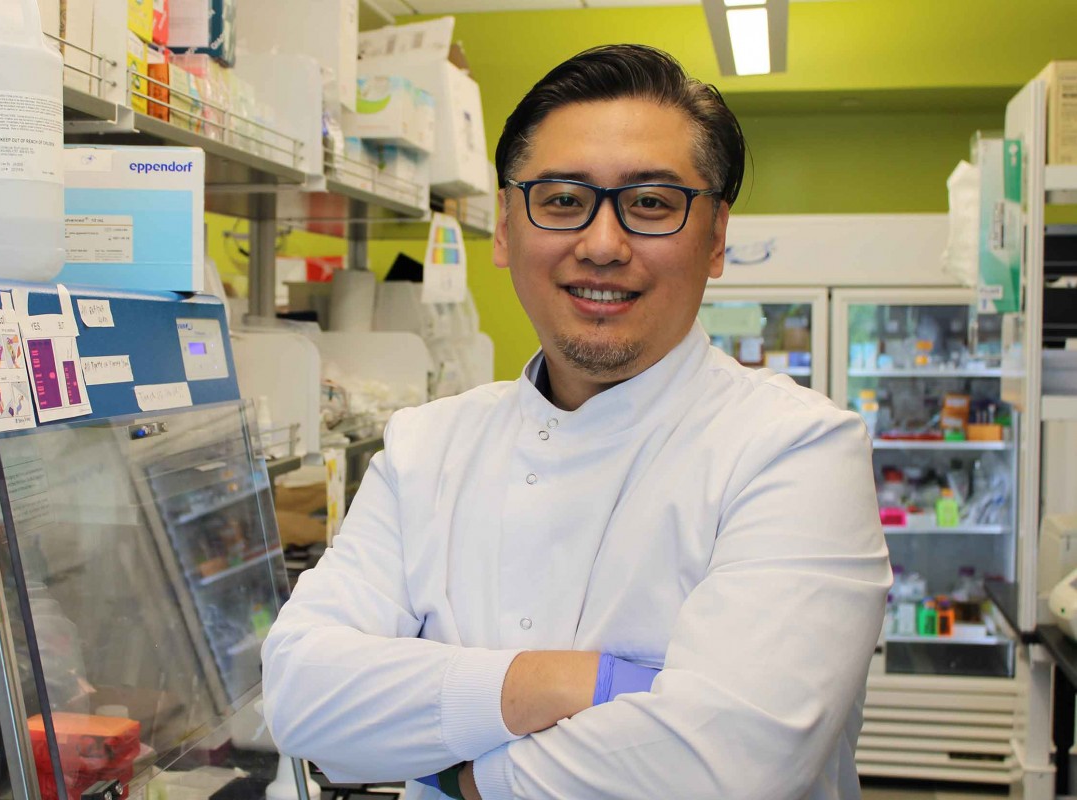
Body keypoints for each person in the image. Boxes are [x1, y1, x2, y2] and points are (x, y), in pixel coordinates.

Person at [261, 44, 890, 800]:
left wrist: (456, 768)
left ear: (716, 237)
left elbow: (728, 763)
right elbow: (300, 694)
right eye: (561, 200)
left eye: (652, 204)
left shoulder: (796, 450)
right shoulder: (427, 446)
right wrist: (582, 682)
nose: (601, 244)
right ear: (504, 226)